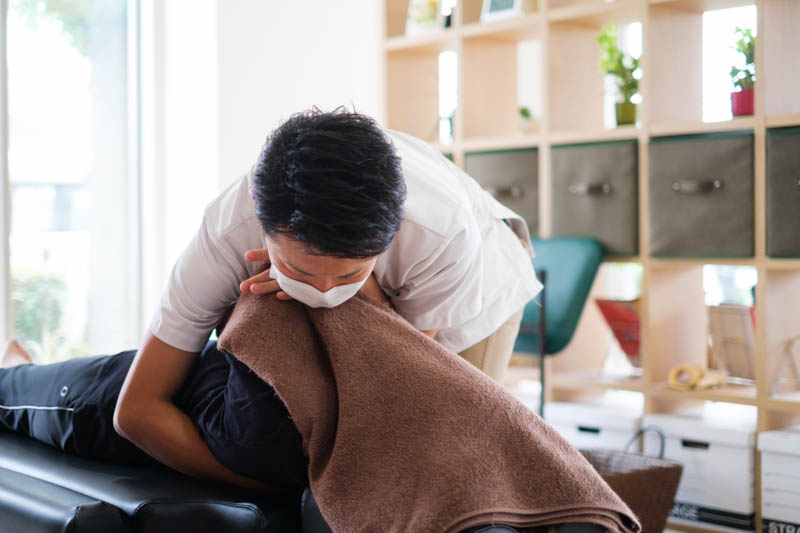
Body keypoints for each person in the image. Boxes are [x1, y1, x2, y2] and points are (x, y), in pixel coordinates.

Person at [9, 107, 542, 493]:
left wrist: (362, 295)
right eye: (299, 271)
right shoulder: (225, 234)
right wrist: (258, 485)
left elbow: (391, 393)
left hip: (479, 285)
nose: (325, 296)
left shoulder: (441, 237)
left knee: (431, 461)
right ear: (261, 233)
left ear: (383, 247)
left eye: (350, 275)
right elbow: (135, 410)